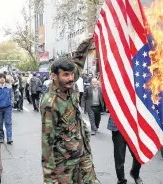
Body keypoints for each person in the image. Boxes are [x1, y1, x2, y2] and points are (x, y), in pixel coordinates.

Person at [41, 34, 99, 184]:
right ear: (54, 76)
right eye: (66, 75)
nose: (71, 78)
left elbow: (78, 60)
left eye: (72, 74)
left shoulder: (69, 83)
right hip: (65, 165)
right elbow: (47, 143)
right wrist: (50, 179)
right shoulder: (50, 104)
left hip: (83, 155)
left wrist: (89, 40)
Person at [107, 115, 144, 184]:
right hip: (118, 126)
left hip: (133, 125)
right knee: (119, 157)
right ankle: (121, 180)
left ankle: (134, 173)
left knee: (138, 155)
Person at [0, 73, 14, 144]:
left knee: (8, 123)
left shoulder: (9, 87)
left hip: (8, 107)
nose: (2, 79)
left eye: (3, 77)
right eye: (0, 77)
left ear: (5, 79)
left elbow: (12, 96)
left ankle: (9, 138)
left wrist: (11, 103)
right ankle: (1, 137)